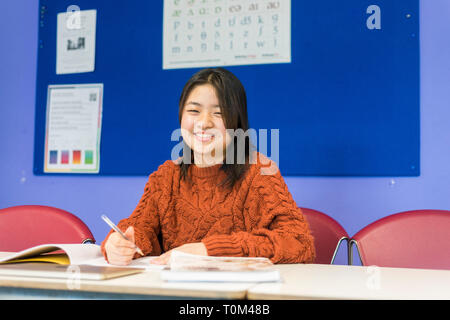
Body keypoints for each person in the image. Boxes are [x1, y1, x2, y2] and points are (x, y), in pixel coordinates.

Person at [101, 68, 315, 265]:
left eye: (219, 113)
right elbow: (139, 229)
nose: (204, 123)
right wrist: (119, 245)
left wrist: (209, 249)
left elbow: (299, 243)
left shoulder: (260, 171)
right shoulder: (166, 176)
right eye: (194, 111)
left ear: (237, 122)